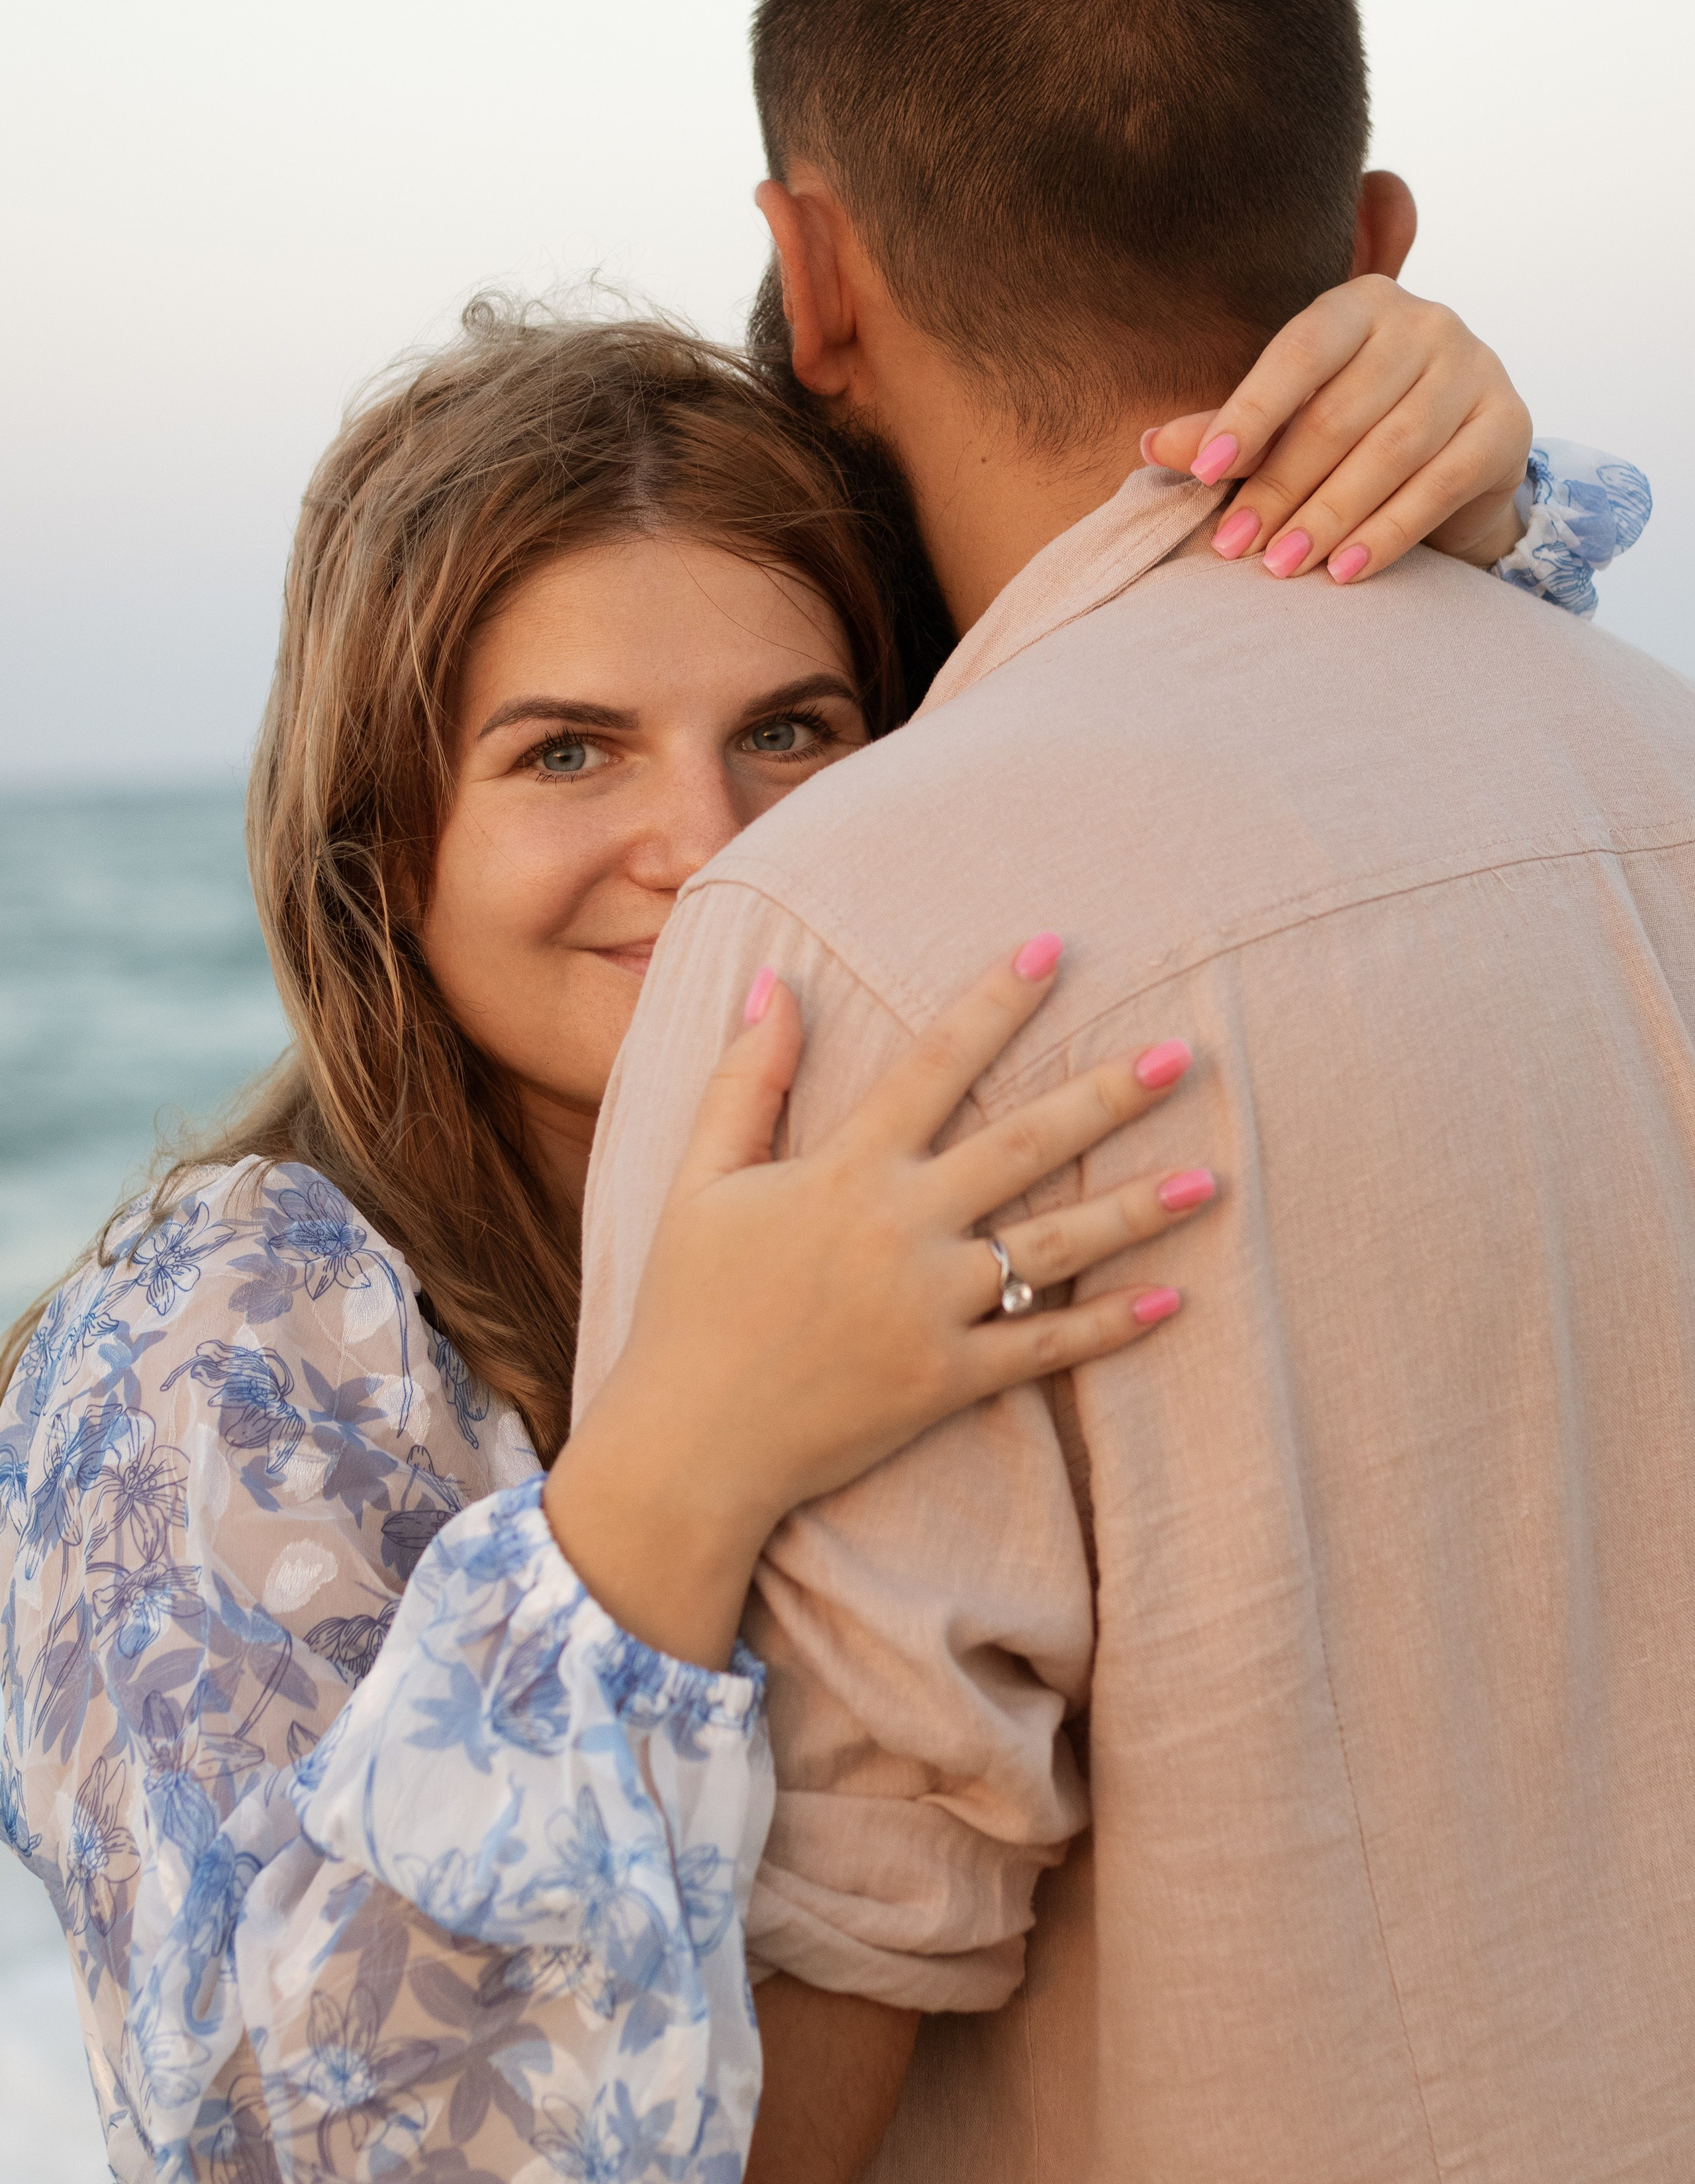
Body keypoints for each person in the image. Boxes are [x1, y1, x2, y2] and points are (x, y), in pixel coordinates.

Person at [0, 276, 1644, 2183]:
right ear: (382, 844)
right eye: (566, 751)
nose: (713, 843)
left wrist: (1442, 475)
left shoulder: (922, 1155)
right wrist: (687, 1453)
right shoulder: (223, 1333)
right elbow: (281, 2141)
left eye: (792, 729)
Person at [572, 0, 1695, 2183]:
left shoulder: (854, 932)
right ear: (1373, 243)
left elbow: (820, 1988)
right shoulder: (1659, 753)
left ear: (816, 266)